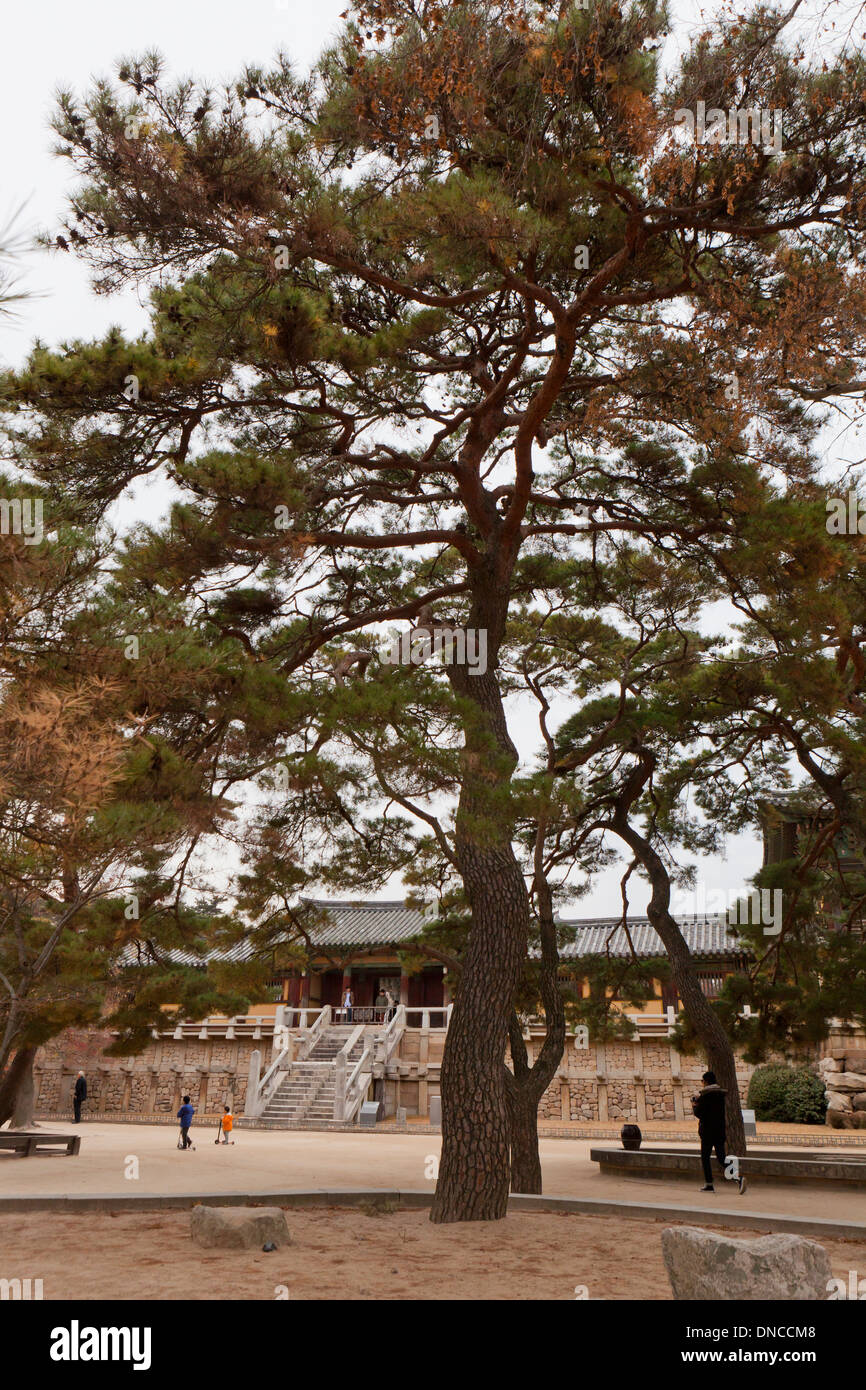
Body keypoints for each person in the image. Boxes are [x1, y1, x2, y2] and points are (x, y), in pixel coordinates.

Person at [691, 1070, 746, 1194]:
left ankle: (709, 1184)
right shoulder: (720, 1095)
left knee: (705, 1157)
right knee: (721, 1158)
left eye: (702, 1081)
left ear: (705, 1081)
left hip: (707, 1132)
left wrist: (695, 1104)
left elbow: (700, 1113)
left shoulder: (705, 1096)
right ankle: (738, 1178)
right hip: (719, 1131)